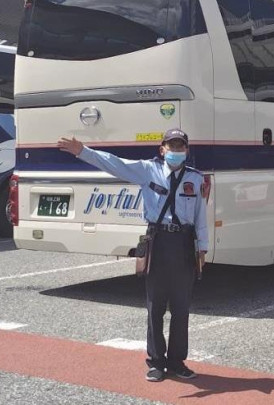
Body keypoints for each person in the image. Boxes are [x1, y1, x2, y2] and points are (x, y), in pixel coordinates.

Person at [57, 129, 207, 382]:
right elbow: (115, 164)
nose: (176, 151)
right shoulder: (147, 170)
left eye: (180, 147)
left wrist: (202, 247)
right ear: (162, 149)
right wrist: (83, 152)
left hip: (184, 244)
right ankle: (156, 362)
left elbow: (200, 215)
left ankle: (177, 361)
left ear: (187, 151)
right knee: (155, 306)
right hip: (158, 241)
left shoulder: (196, 178)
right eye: (171, 146)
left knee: (181, 307)